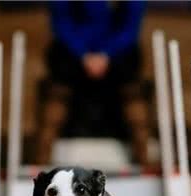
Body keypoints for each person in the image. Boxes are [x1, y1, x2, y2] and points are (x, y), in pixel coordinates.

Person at [36, 0, 152, 166]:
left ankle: (144, 158)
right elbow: (61, 23)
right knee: (55, 95)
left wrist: (106, 54)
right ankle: (41, 160)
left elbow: (130, 26)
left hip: (118, 53)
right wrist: (83, 54)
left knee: (134, 96)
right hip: (72, 54)